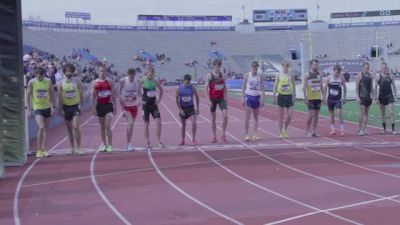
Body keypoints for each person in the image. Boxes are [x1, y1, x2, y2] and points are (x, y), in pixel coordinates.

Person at [27, 66, 56, 158]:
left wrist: (53, 107)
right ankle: (39, 150)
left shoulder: (48, 81)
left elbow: (52, 94)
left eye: (42, 76)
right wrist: (29, 109)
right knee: (41, 127)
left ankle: (44, 149)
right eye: (39, 76)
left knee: (45, 129)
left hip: (47, 107)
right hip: (37, 108)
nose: (41, 77)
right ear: (36, 74)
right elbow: (27, 96)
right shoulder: (32, 82)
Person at [58, 63, 84, 155]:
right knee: (69, 129)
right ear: (64, 72)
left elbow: (81, 93)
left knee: (76, 126)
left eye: (71, 71)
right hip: (66, 107)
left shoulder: (77, 81)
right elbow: (60, 97)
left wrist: (82, 106)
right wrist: (60, 109)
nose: (69, 73)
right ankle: (72, 147)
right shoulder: (61, 83)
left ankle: (79, 147)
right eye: (67, 71)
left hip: (75, 106)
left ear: (73, 72)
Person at [92, 66, 117, 152]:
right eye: (100, 71)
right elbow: (93, 96)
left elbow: (113, 94)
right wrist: (94, 107)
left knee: (107, 126)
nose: (102, 72)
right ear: (98, 72)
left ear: (106, 72)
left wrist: (115, 106)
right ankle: (104, 145)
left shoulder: (110, 81)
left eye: (103, 71)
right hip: (100, 105)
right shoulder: (94, 82)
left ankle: (110, 145)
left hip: (108, 105)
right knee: (102, 127)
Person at [140, 67, 165, 148]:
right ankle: (147, 143)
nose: (151, 76)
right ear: (147, 73)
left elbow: (161, 90)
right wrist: (140, 100)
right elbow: (136, 90)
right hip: (145, 106)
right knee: (146, 124)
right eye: (150, 75)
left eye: (153, 75)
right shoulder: (142, 80)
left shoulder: (155, 81)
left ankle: (158, 141)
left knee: (159, 122)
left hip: (154, 105)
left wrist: (159, 100)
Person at [204, 59, 228, 143]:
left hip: (221, 98)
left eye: (219, 66)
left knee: (225, 116)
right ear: (214, 65)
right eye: (217, 66)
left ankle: (223, 135)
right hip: (213, 99)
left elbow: (225, 87)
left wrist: (226, 98)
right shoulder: (209, 75)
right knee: (213, 119)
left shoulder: (222, 75)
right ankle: (214, 136)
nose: (218, 68)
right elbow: (205, 89)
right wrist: (208, 101)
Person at [241, 61, 265, 141]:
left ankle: (255, 134)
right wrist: (242, 98)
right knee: (247, 117)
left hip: (256, 97)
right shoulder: (247, 75)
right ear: (251, 67)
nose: (255, 69)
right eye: (254, 67)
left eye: (256, 67)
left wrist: (262, 99)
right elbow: (243, 87)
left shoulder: (260, 76)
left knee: (256, 117)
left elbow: (262, 88)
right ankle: (246, 134)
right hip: (249, 97)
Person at [119, 68, 141, 151]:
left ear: (135, 75)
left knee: (130, 125)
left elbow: (139, 92)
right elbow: (119, 92)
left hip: (134, 106)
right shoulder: (123, 81)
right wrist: (121, 103)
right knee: (131, 123)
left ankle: (128, 143)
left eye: (133, 77)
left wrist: (139, 100)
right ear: (128, 75)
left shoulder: (138, 81)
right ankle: (129, 145)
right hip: (126, 106)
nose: (131, 78)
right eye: (130, 77)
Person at [273, 60, 296, 139]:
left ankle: (285, 128)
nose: (287, 68)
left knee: (290, 115)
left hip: (289, 96)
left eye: (288, 66)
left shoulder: (291, 75)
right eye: (285, 66)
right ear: (282, 66)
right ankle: (280, 133)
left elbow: (294, 85)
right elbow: (275, 85)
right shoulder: (278, 74)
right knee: (281, 116)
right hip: (281, 96)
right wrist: (274, 96)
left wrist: (294, 95)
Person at [374, 62, 398, 134]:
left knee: (391, 112)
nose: (384, 69)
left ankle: (393, 130)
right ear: (381, 69)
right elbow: (375, 88)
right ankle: (384, 129)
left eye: (385, 68)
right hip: (381, 96)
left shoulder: (390, 76)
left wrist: (396, 96)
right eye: (383, 68)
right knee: (383, 113)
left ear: (387, 68)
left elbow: (394, 86)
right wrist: (375, 98)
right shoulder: (378, 77)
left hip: (389, 95)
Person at [176, 74, 200, 145]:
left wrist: (198, 108)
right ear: (184, 80)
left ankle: (193, 138)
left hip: (190, 108)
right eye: (186, 82)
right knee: (183, 125)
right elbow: (177, 99)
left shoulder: (192, 88)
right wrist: (180, 109)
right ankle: (183, 140)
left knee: (194, 123)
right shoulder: (179, 88)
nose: (187, 84)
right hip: (183, 108)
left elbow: (197, 98)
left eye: (188, 82)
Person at [324, 64, 347, 136]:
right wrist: (324, 98)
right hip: (330, 99)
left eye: (339, 72)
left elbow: (345, 87)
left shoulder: (341, 78)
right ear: (333, 71)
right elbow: (325, 88)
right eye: (337, 72)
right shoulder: (328, 78)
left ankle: (342, 130)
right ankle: (333, 130)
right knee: (331, 115)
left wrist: (344, 97)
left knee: (339, 113)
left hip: (338, 99)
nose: (338, 73)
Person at [303, 59, 324, 137]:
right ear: (311, 65)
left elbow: (321, 86)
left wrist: (324, 96)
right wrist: (305, 98)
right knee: (311, 115)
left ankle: (314, 131)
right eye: (315, 64)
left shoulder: (320, 74)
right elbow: (304, 87)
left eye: (317, 65)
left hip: (318, 98)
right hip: (310, 98)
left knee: (316, 115)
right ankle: (307, 130)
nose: (316, 66)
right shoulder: (307, 75)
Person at [356, 62, 374, 136]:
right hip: (362, 96)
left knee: (366, 113)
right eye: (366, 67)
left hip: (368, 97)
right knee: (362, 113)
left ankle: (364, 129)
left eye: (368, 68)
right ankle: (360, 129)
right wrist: (357, 96)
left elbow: (372, 88)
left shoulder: (370, 76)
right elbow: (357, 88)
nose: (367, 69)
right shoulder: (359, 75)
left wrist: (374, 96)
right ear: (363, 67)